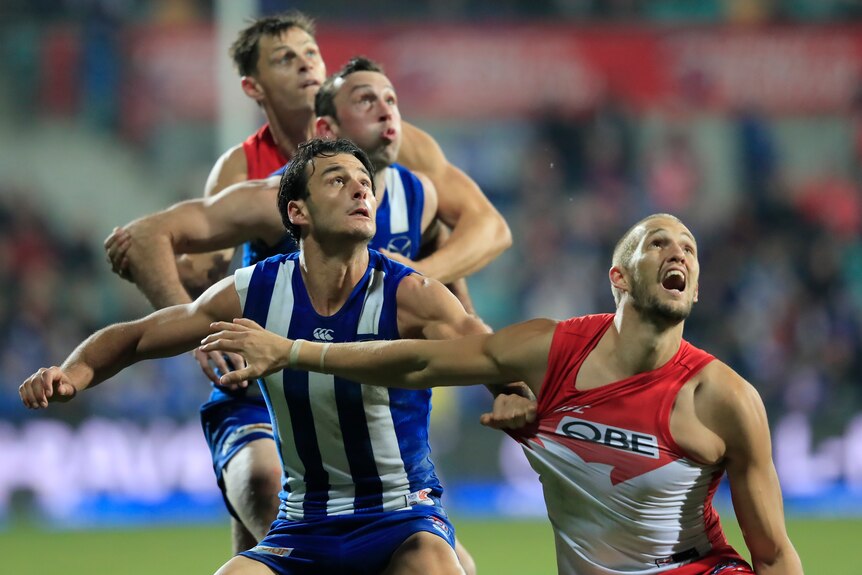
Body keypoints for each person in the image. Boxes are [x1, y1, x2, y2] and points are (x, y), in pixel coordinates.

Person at [105, 13, 508, 568]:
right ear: (255, 87)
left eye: (310, 54)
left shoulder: (397, 150)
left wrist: (412, 274)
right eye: (284, 58)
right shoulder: (250, 175)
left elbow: (489, 232)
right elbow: (182, 257)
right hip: (263, 393)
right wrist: (197, 325)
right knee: (270, 495)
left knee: (452, 562)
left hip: (361, 397)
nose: (306, 66)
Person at [21, 139, 529, 574]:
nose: (360, 190)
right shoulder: (258, 291)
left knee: (437, 565)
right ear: (297, 212)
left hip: (401, 517)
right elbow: (138, 337)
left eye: (364, 182)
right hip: (304, 524)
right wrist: (71, 372)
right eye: (336, 180)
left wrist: (511, 395)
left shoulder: (410, 294)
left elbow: (482, 347)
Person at [200, 213, 804, 575]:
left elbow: (773, 556)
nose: (679, 253)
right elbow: (422, 362)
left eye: (690, 249)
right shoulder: (550, 354)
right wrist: (298, 351)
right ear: (619, 277)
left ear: (694, 290)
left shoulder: (725, 398)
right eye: (658, 243)